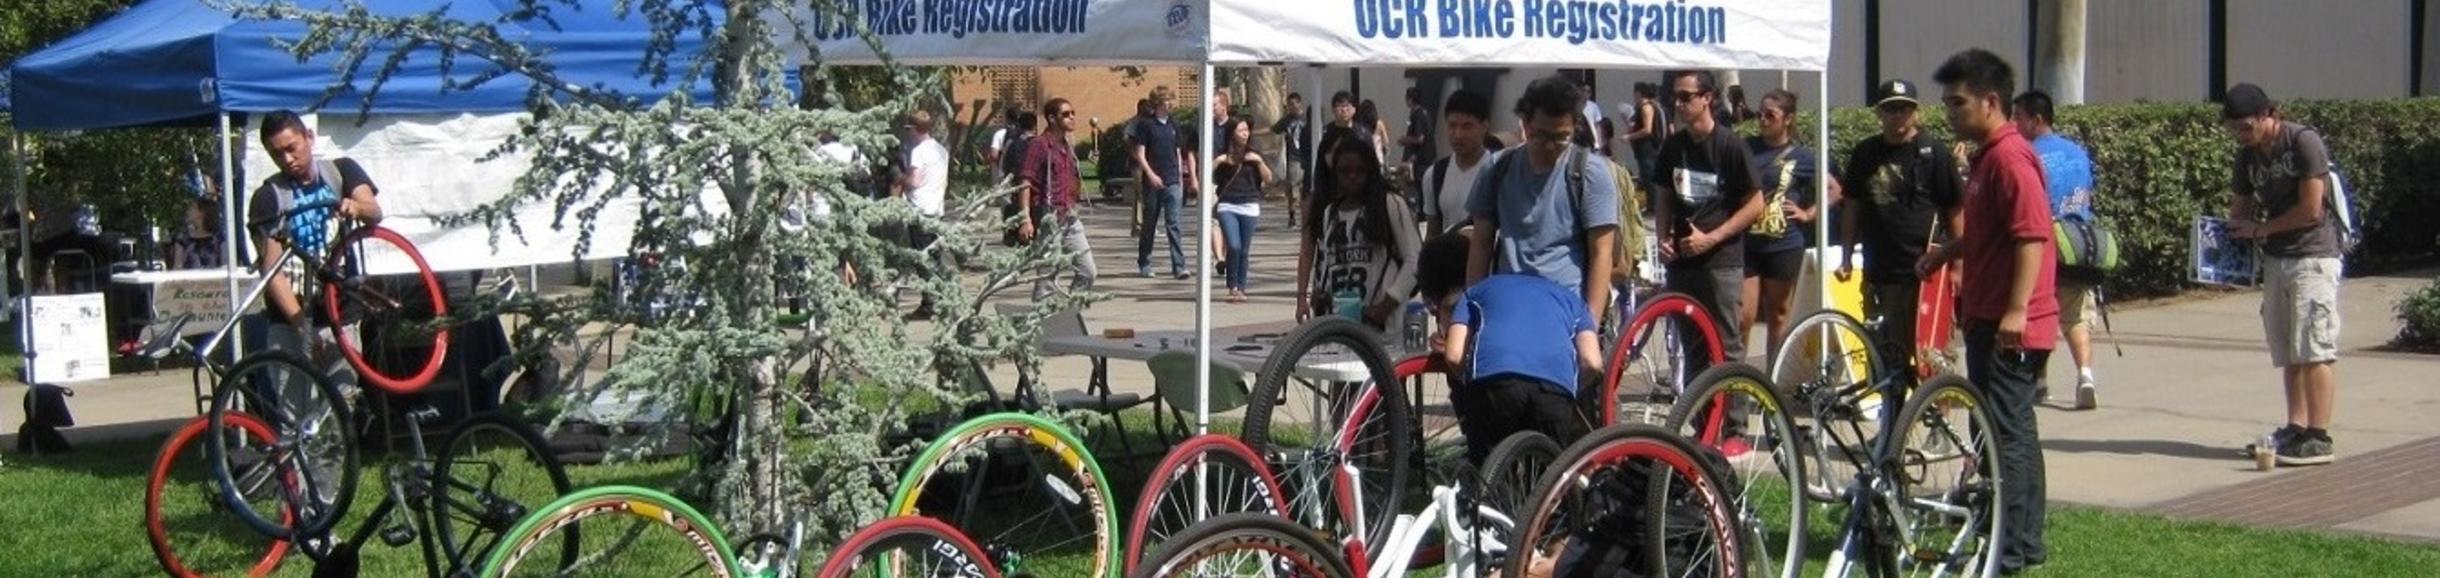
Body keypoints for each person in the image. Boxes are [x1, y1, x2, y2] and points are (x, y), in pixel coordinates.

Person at [1918, 49, 2058, 575]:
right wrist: (1946, 254)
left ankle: (2012, 548)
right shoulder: (1985, 158)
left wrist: (2017, 312)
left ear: (1991, 102)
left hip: (2009, 323)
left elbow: (2031, 237)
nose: (1951, 113)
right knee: (2009, 429)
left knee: (2005, 433)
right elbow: (1989, 232)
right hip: (1987, 314)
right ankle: (2022, 539)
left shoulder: (2009, 158)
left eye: (1959, 103)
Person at [2222, 82, 2344, 467]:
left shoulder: (2302, 142)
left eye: (2246, 127)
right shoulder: (2247, 156)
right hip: (2276, 259)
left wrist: (2261, 229)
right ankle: (2296, 426)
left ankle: (2318, 435)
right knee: (2289, 350)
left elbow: (2311, 209)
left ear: (2268, 115)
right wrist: (2226, 242)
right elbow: (2239, 209)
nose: (2242, 136)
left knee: (2314, 348)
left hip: (2313, 256)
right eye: (2234, 130)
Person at [1417, 232, 1600, 465]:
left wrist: (1469, 379)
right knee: (1548, 480)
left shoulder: (1479, 291)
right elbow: (1593, 362)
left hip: (1496, 385)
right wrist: (1570, 387)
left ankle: (1491, 497)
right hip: (1555, 391)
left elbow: (1453, 356)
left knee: (1491, 473)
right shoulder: (1569, 297)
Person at [1463, 74, 1622, 326]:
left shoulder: (1590, 173)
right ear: (1525, 124)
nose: (1549, 146)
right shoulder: (1497, 168)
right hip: (1507, 303)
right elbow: (1481, 243)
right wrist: (1471, 309)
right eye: (1540, 135)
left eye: (1561, 137)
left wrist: (1588, 325)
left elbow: (1602, 253)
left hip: (1565, 308)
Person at [1837, 79, 1966, 361]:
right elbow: (1852, 206)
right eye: (1891, 109)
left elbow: (1954, 210)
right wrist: (1846, 255)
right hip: (1880, 270)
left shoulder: (1934, 153)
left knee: (1933, 356)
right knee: (1886, 355)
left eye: (1904, 109)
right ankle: (1893, 405)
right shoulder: (1865, 153)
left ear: (1916, 112)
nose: (1898, 115)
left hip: (1927, 271)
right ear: (1879, 114)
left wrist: (1957, 266)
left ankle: (1936, 404)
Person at [246, 110, 384, 358]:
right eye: (277, 154)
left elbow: (374, 212)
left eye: (292, 148)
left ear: (309, 137)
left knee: (343, 394)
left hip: (341, 314)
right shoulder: (267, 197)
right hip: (288, 319)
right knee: (294, 397)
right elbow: (272, 272)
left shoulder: (342, 171)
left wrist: (357, 206)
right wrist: (301, 327)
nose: (287, 159)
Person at [1652, 70, 1764, 373]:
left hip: (1720, 262)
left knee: (1726, 348)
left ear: (1707, 98)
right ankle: (1703, 420)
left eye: (1686, 97)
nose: (1678, 104)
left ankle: (1733, 421)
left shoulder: (1730, 145)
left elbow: (1756, 204)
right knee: (1693, 348)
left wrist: (1713, 237)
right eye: (1674, 97)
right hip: (1682, 261)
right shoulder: (1673, 147)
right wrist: (1663, 237)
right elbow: (1662, 196)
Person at [2013, 89, 2103, 410]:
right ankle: (2086, 376)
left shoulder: (2026, 155)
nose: (2014, 123)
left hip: (2043, 245)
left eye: (2018, 116)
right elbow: (2088, 194)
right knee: (2075, 317)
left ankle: (2039, 381)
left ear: (2036, 120)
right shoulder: (2077, 152)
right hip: (2078, 244)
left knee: (2040, 315)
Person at [1742, 89, 1839, 363]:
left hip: (1783, 243)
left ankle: (1772, 383)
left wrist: (1808, 214)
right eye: (1759, 114)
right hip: (1747, 242)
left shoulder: (1803, 156)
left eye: (1770, 115)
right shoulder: (1747, 147)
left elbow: (1834, 190)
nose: (1762, 120)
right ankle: (1733, 387)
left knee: (1778, 314)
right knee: (1743, 316)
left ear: (1788, 119)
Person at [1306, 137, 1421, 330]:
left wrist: (1386, 305)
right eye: (1345, 171)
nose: (1352, 177)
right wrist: (1320, 294)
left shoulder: (1390, 203)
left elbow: (1415, 259)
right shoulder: (1331, 212)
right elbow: (1327, 263)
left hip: (1382, 323)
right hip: (1341, 323)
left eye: (1360, 171)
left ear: (1370, 171)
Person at [1017, 98, 1097, 300]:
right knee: (1047, 277)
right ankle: (1042, 322)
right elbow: (1025, 181)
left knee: (1088, 271)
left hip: (1069, 217)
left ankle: (1069, 314)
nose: (1072, 118)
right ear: (1052, 119)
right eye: (1066, 114)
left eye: (1073, 113)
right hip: (1048, 218)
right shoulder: (1040, 145)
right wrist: (1025, 219)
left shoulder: (1067, 145)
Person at [1132, 86, 1195, 279]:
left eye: (1171, 100)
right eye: (1167, 100)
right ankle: (1144, 261)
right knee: (1150, 223)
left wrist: (1180, 178)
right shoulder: (1146, 125)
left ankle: (1179, 265)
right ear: (1158, 103)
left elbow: (1177, 152)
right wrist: (1150, 174)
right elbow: (1140, 154)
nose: (1171, 104)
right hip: (1153, 180)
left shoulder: (1173, 125)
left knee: (1173, 223)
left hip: (1172, 180)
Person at [900, 109, 952, 320]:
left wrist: (901, 179)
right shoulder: (941, 150)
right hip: (935, 208)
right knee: (935, 256)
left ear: (913, 129)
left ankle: (930, 303)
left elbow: (914, 181)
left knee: (922, 259)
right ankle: (942, 298)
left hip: (919, 208)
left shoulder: (918, 151)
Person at [1421, 89, 1496, 236]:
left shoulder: (1499, 171)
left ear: (1485, 126)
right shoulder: (1435, 174)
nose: (1458, 135)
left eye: (1467, 126)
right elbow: (1433, 232)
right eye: (1452, 125)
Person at [1212, 118, 1270, 303]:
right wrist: (1217, 161)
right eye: (1241, 130)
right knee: (1234, 246)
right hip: (1227, 205)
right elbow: (1208, 176)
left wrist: (1259, 162)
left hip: (1249, 205)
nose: (1245, 133)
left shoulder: (1254, 156)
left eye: (1246, 130)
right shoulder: (1223, 157)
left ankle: (1241, 287)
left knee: (1244, 249)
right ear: (1232, 133)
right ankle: (1232, 286)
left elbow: (1268, 179)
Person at [1271, 92, 1313, 225]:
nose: (1291, 107)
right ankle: (1292, 215)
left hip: (1307, 156)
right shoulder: (1287, 120)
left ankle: (1307, 214)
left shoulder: (1307, 118)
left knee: (1305, 188)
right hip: (1293, 158)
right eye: (1289, 105)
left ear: (1300, 103)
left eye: (1294, 104)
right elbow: (1274, 129)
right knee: (1292, 187)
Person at [1626, 82, 1664, 185]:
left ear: (1638, 93)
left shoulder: (1646, 108)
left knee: (1650, 180)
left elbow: (1647, 129)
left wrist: (1629, 136)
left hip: (1648, 149)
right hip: (1642, 150)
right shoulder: (1639, 108)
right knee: (1646, 179)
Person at [1402, 87, 1437, 182]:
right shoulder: (1425, 113)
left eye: (1406, 98)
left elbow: (1420, 138)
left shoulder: (1417, 115)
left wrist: (1406, 139)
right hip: (1429, 157)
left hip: (1422, 161)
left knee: (1420, 186)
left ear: (1410, 99)